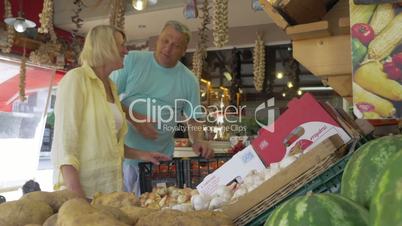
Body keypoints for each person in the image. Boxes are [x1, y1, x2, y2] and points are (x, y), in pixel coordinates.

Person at [51, 25, 170, 199]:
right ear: (104, 47)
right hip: (83, 192)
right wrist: (77, 197)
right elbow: (65, 145)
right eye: (121, 45)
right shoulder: (76, 80)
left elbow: (110, 145)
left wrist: (142, 154)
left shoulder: (112, 87)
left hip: (110, 192)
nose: (126, 51)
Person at [111, 21, 214, 195]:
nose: (168, 48)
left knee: (154, 210)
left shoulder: (189, 80)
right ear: (158, 40)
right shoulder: (133, 60)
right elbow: (108, 96)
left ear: (183, 51)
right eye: (165, 41)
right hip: (125, 156)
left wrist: (197, 140)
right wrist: (135, 119)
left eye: (176, 46)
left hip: (161, 161)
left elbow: (194, 118)